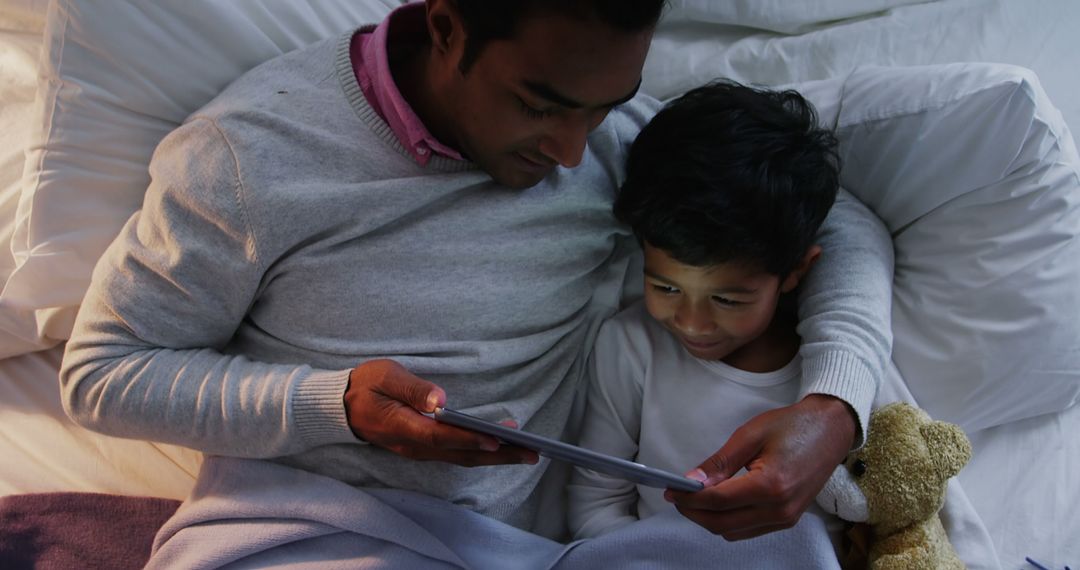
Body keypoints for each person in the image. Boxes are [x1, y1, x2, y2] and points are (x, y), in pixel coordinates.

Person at [59, 0, 892, 548]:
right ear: (448, 27)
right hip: (303, 535)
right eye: (540, 106)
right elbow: (101, 373)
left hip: (528, 552)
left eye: (602, 107)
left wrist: (834, 405)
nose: (574, 152)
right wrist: (334, 408)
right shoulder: (248, 159)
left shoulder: (614, 136)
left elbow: (836, 217)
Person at [567, 80, 847, 539]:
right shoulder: (631, 348)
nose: (693, 322)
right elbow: (594, 502)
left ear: (795, 270)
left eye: (727, 299)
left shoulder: (826, 373)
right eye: (665, 286)